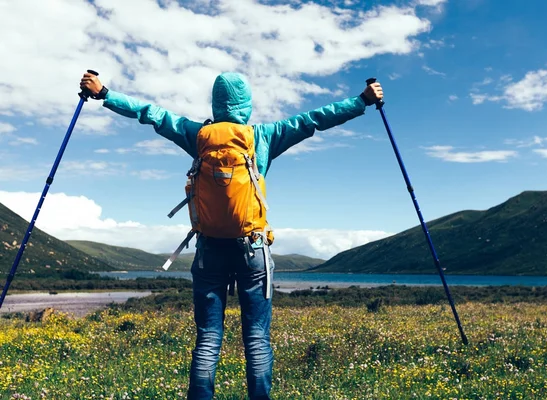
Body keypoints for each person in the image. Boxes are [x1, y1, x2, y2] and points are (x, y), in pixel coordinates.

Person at [79, 71, 383, 400]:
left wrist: (105, 93)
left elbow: (150, 113)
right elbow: (315, 119)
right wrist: (361, 101)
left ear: (216, 103)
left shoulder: (196, 135)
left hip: (209, 249)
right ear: (247, 105)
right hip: (253, 247)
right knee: (256, 339)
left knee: (208, 338)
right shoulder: (264, 136)